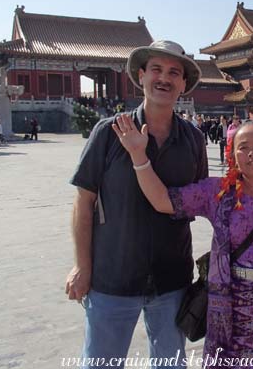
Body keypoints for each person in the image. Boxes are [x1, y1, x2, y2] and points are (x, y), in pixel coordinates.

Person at [112, 115, 253, 365]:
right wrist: (138, 155)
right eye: (243, 147)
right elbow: (162, 200)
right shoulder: (218, 193)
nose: (252, 152)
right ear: (233, 158)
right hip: (234, 309)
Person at [65, 40, 208, 369]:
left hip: (172, 281)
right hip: (112, 278)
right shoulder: (108, 132)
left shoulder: (194, 140)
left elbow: (199, 201)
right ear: (141, 76)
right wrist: (82, 267)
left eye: (174, 72)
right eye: (156, 70)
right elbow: (83, 203)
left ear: (183, 84)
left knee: (171, 365)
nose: (164, 79)